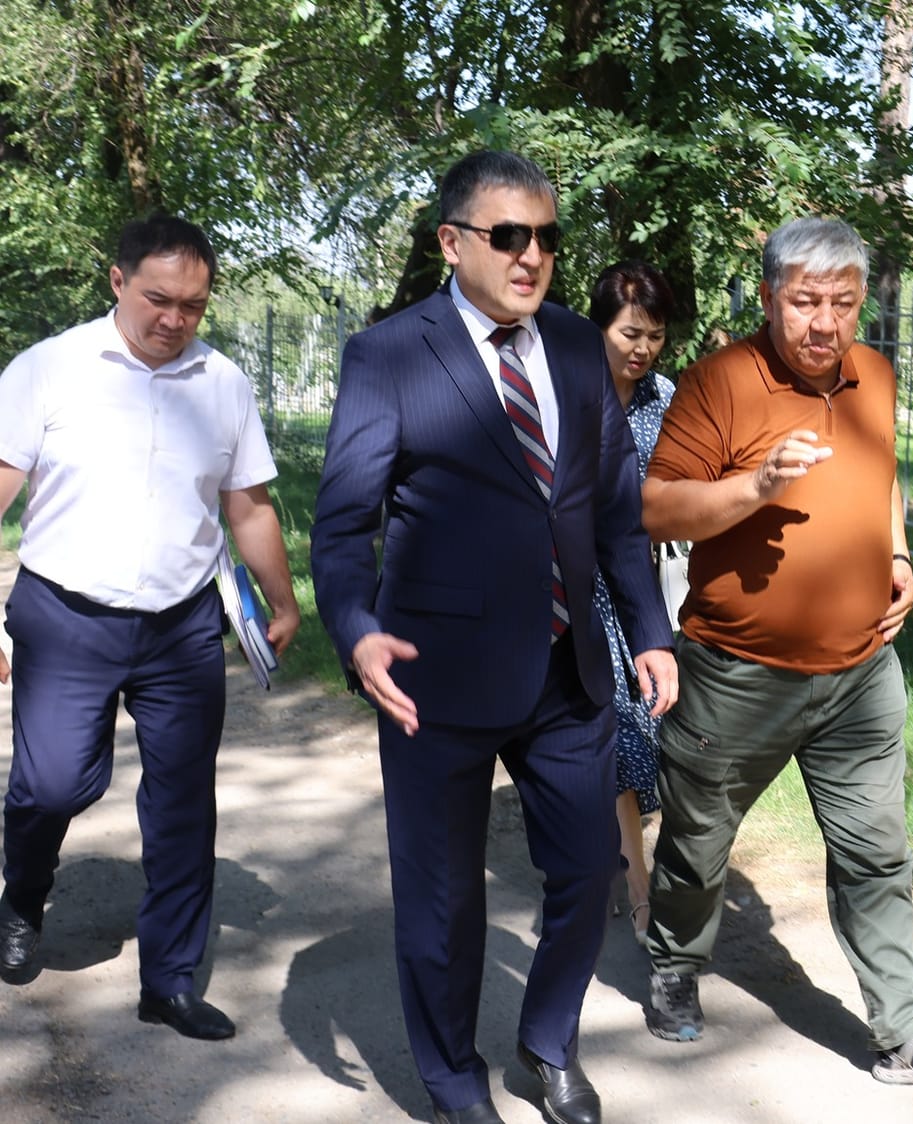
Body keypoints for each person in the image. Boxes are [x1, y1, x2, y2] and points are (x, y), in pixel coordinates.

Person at [310, 151, 678, 1124]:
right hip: (432, 678)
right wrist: (356, 630)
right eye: (508, 235)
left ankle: (548, 1042)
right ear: (452, 241)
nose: (532, 255)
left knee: (588, 867)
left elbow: (614, 508)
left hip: (567, 669)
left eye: (547, 237)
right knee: (443, 901)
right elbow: (342, 526)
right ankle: (451, 1082)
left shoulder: (576, 345)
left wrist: (650, 630)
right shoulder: (388, 354)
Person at [639, 216, 913, 1086]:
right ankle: (675, 961)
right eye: (804, 303)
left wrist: (898, 553)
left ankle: (902, 1032)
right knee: (697, 842)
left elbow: (881, 474)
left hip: (860, 674)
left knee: (877, 853)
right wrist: (757, 486)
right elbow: (657, 506)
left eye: (842, 302)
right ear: (770, 298)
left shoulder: (875, 373)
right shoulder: (720, 381)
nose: (824, 323)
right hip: (736, 676)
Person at [0, 214, 301, 1040]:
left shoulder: (223, 384)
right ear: (118, 281)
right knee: (55, 784)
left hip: (181, 626)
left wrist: (281, 601)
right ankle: (23, 894)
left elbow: (248, 505)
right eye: (159, 299)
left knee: (182, 805)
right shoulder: (49, 370)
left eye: (193, 306)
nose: (175, 319)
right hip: (66, 615)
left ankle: (168, 982)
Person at [587, 260, 677, 940]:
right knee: (616, 730)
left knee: (653, 728)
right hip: (577, 589)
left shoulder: (665, 400)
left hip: (645, 591)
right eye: (630, 333)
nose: (643, 349)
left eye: (655, 336)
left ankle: (622, 865)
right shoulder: (567, 394)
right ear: (600, 329)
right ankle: (638, 885)